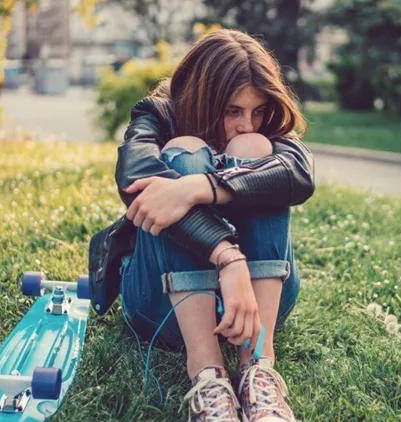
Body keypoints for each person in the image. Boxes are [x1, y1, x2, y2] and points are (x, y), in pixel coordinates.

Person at [115, 29, 315, 422]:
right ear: (202, 99)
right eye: (232, 111)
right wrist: (227, 256)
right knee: (183, 154)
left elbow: (299, 174)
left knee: (257, 152)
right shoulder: (157, 115)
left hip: (261, 305)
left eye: (256, 110)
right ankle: (207, 376)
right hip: (161, 306)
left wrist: (201, 187)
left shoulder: (262, 128)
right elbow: (136, 178)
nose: (247, 123)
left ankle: (258, 370)